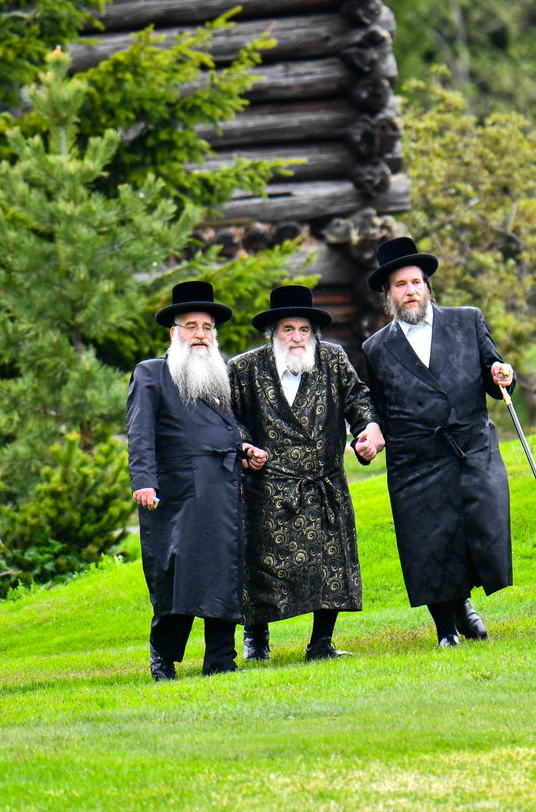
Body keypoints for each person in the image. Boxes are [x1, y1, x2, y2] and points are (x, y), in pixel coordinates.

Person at [360, 237, 515, 648]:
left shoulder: (467, 321)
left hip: (470, 448)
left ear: (428, 286)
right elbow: (375, 406)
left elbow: (494, 373)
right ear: (388, 294)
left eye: (416, 282)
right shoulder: (376, 348)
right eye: (400, 285)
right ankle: (446, 628)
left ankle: (463, 603)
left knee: (480, 527)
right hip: (414, 459)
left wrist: (503, 374)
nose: (410, 291)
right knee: (429, 541)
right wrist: (371, 430)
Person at [228, 284, 385, 662]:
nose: (297, 337)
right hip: (267, 489)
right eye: (288, 329)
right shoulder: (244, 368)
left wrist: (368, 429)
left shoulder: (333, 359)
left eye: (304, 330)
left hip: (323, 483)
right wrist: (244, 446)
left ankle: (321, 643)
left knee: (330, 565)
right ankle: (256, 641)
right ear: (273, 333)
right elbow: (227, 420)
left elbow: (358, 399)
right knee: (260, 568)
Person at [126, 281, 268, 681]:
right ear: (175, 333)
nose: (201, 334)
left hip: (223, 491)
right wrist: (144, 481)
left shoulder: (217, 377)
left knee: (224, 574)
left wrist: (243, 448)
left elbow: (221, 429)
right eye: (192, 326)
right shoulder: (151, 373)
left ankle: (221, 660)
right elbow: (140, 433)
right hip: (176, 496)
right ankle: (163, 658)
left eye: (207, 327)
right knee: (178, 578)